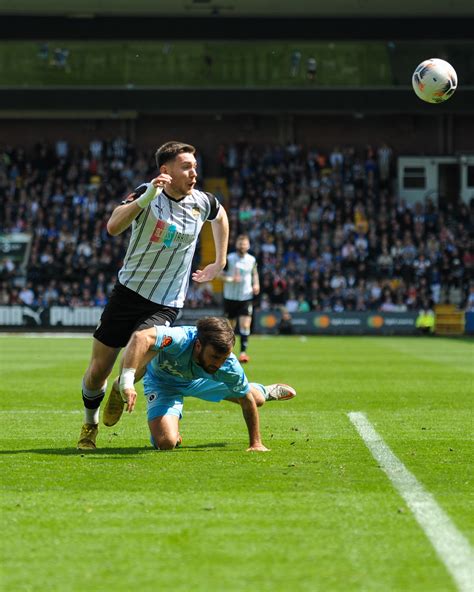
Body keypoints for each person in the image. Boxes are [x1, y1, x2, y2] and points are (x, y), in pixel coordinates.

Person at [77, 141, 229, 450]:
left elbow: (221, 216)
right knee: (97, 373)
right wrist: (146, 198)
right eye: (186, 167)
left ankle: (123, 388)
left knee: (136, 364)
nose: (194, 173)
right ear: (166, 171)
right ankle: (90, 423)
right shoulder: (148, 192)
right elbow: (113, 226)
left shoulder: (202, 201)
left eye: (195, 167)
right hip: (128, 293)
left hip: (167, 301)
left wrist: (220, 261)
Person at [103, 317, 296, 451]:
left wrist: (256, 443)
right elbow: (140, 337)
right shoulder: (179, 339)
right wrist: (128, 381)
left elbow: (245, 400)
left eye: (223, 357)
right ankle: (119, 385)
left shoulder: (226, 365)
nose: (219, 362)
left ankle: (265, 390)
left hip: (201, 380)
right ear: (198, 345)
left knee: (256, 399)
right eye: (214, 356)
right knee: (166, 442)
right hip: (163, 382)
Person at [221, 234, 260, 363]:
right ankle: (229, 352)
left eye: (244, 244)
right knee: (230, 327)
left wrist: (256, 284)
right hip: (230, 297)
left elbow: (254, 273)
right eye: (240, 243)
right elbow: (220, 276)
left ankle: (243, 353)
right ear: (236, 245)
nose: (242, 246)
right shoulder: (229, 258)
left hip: (245, 296)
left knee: (245, 324)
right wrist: (232, 279)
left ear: (248, 246)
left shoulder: (252, 260)